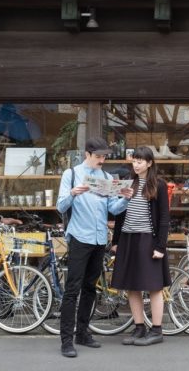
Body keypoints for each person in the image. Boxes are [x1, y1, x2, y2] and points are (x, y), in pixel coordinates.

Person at [56, 137, 133, 358]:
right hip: (80, 238)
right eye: (98, 156)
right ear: (87, 154)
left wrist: (126, 199)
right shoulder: (71, 174)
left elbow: (113, 209)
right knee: (72, 289)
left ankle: (82, 333)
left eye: (104, 156)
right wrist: (74, 193)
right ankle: (66, 340)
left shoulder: (107, 177)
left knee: (91, 288)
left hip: (100, 240)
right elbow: (60, 206)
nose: (102, 160)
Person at [110, 145, 172, 346]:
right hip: (128, 238)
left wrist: (160, 246)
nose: (135, 165)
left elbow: (164, 218)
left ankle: (156, 330)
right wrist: (116, 241)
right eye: (134, 161)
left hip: (148, 239)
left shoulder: (159, 185)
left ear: (149, 163)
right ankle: (139, 327)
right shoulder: (127, 183)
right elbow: (120, 213)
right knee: (131, 285)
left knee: (154, 287)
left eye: (140, 161)